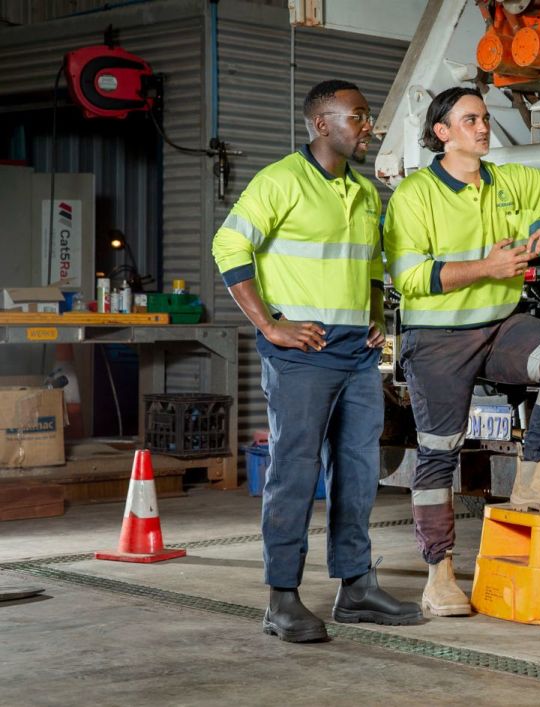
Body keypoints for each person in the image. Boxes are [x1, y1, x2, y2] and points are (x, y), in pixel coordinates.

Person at [212, 80, 421, 642]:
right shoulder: (280, 180)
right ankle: (282, 599)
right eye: (358, 116)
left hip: (356, 352)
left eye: (369, 115)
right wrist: (270, 325)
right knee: (295, 472)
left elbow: (369, 265)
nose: (368, 125)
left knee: (356, 472)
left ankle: (356, 587)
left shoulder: (362, 191)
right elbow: (228, 246)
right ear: (322, 124)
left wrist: (377, 315)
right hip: (303, 354)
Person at [383, 87, 540, 617]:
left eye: (484, 118)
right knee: (440, 454)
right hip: (436, 339)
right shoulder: (414, 195)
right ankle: (439, 576)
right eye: (469, 120)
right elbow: (410, 278)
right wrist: (486, 268)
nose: (483, 128)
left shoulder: (505, 180)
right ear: (443, 133)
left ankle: (532, 478)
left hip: (497, 327)